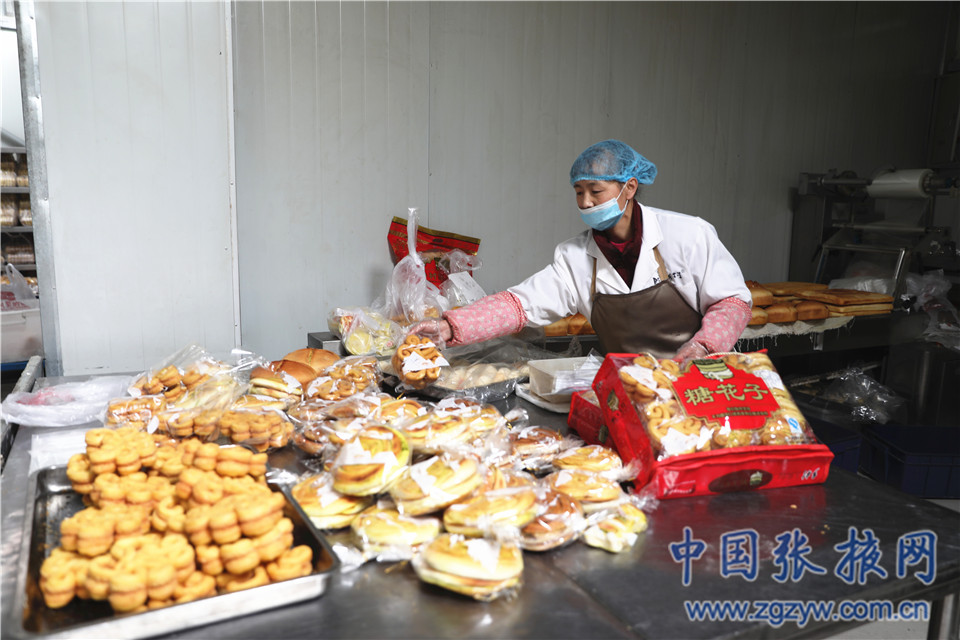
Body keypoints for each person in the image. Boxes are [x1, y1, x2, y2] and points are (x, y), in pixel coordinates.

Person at [415, 139, 752, 361]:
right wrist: (451, 327)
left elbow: (732, 302)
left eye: (596, 191)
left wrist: (704, 346)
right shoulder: (575, 258)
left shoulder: (688, 235)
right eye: (579, 192)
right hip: (634, 387)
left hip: (703, 377)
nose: (586, 202)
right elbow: (519, 305)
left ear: (629, 187)